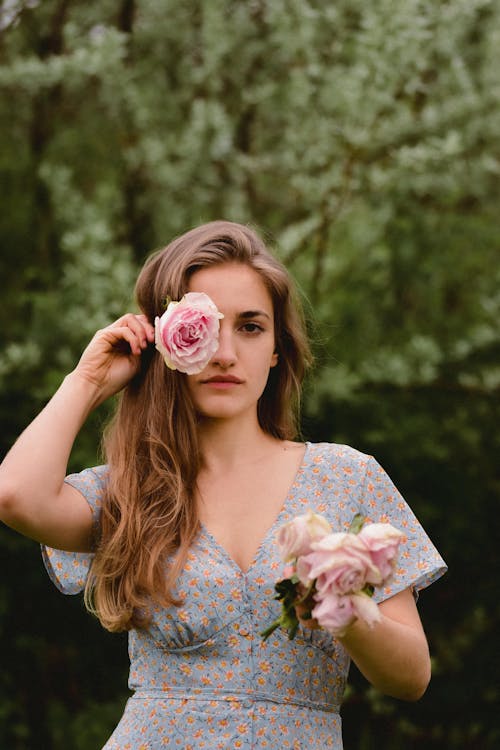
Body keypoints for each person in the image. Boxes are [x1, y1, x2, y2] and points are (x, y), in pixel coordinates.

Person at [0, 220, 446, 748]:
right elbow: (15, 496)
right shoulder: (133, 487)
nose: (225, 353)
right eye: (205, 327)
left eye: (251, 327)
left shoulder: (347, 477)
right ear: (168, 343)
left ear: (278, 349)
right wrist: (89, 380)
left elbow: (411, 676)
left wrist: (343, 610)